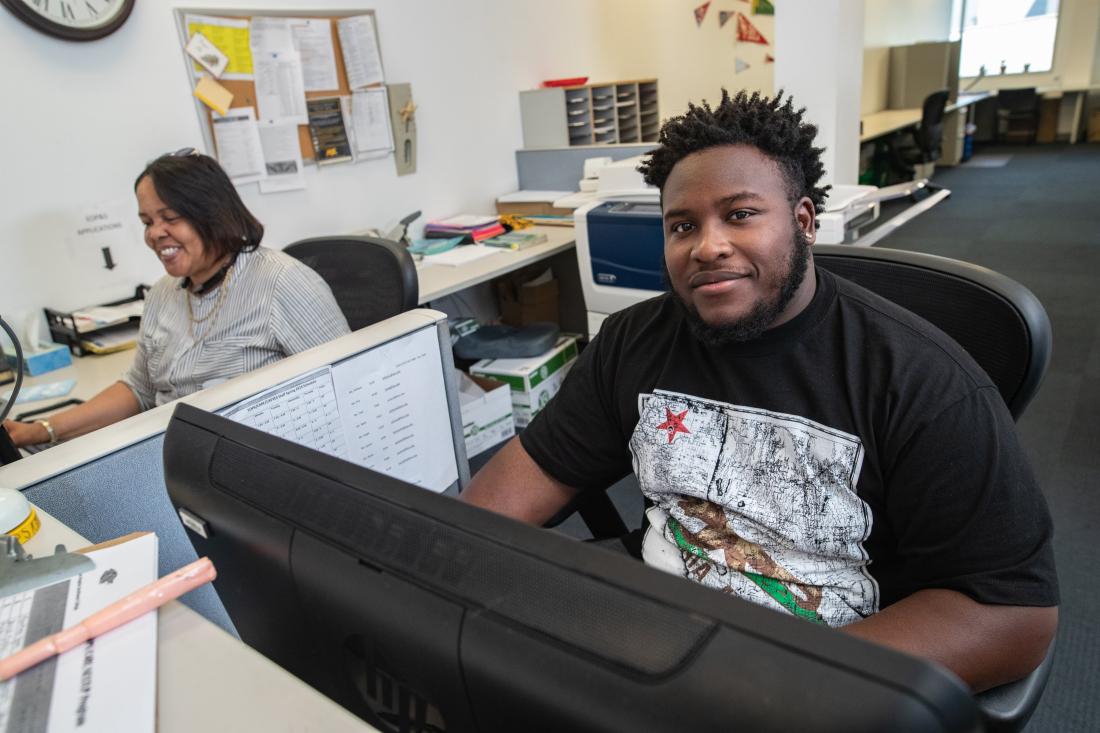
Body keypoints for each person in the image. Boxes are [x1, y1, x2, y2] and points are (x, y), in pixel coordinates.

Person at [461, 90, 1058, 692]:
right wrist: (436, 557)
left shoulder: (923, 380)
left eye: (740, 214)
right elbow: (521, 483)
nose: (707, 246)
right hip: (658, 624)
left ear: (802, 221)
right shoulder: (632, 340)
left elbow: (1014, 615)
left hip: (819, 668)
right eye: (682, 226)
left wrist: (773, 682)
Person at [3, 150, 349, 448]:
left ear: (212, 213)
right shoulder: (162, 294)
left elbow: (347, 389)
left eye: (169, 218)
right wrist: (41, 431)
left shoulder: (282, 283)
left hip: (252, 464)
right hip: (172, 450)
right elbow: (140, 389)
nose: (154, 234)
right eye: (147, 221)